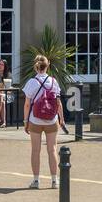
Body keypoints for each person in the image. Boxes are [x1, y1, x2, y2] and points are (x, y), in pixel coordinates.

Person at [22, 54, 63, 189]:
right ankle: (54, 180)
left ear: (35, 66)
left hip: (35, 119)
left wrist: (25, 121)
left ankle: (36, 180)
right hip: (51, 120)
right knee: (52, 150)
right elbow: (58, 102)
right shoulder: (53, 81)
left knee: (35, 150)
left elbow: (27, 104)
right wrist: (61, 118)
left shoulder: (31, 82)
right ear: (48, 65)